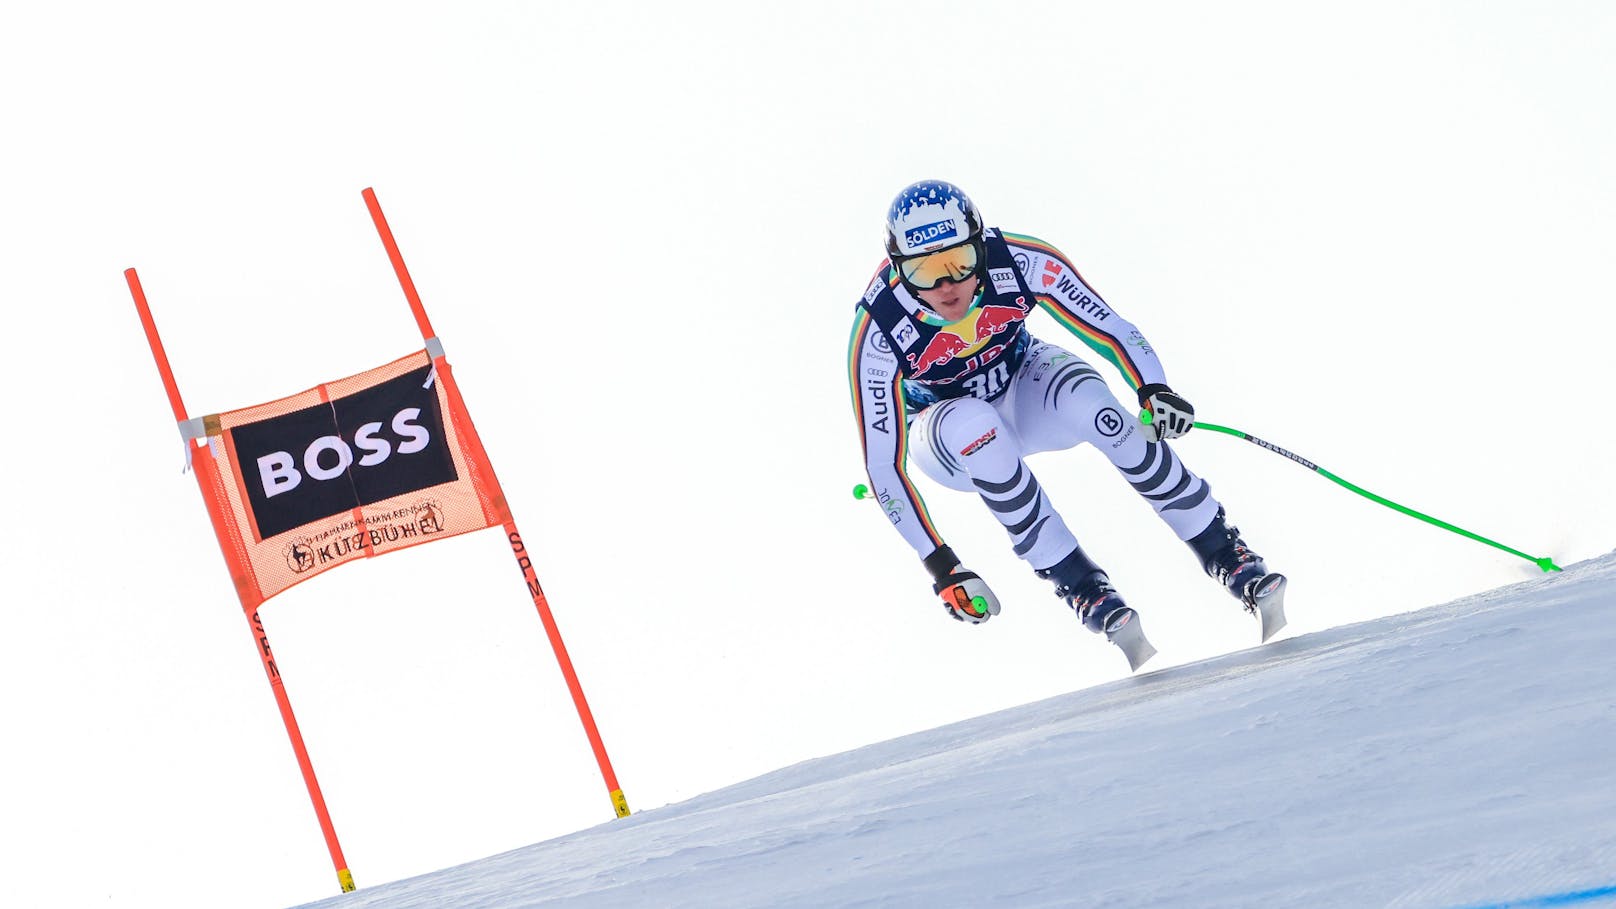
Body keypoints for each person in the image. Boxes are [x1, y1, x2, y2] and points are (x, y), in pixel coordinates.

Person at [848, 180, 1286, 670]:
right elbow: (883, 468)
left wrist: (1154, 390)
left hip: (1023, 384)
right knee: (977, 425)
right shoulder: (880, 327)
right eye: (924, 271)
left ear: (980, 243)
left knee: (1094, 405)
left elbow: (1110, 327)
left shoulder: (1017, 259)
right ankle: (1081, 586)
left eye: (959, 262)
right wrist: (944, 567)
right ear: (896, 268)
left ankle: (1225, 553)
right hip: (946, 432)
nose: (946, 286)